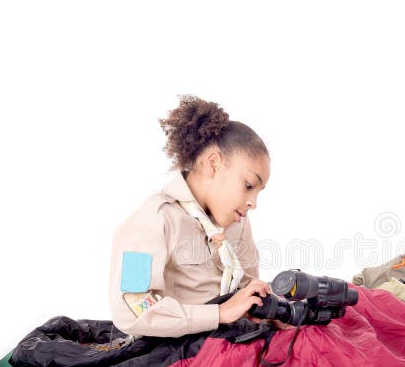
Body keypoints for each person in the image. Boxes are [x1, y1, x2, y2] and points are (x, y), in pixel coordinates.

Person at [108, 95, 291, 337]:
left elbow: (247, 289)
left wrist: (267, 310)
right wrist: (218, 314)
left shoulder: (238, 223)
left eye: (258, 191)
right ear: (213, 163)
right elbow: (132, 304)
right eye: (248, 185)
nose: (253, 203)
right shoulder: (154, 220)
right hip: (174, 354)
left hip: (228, 343)